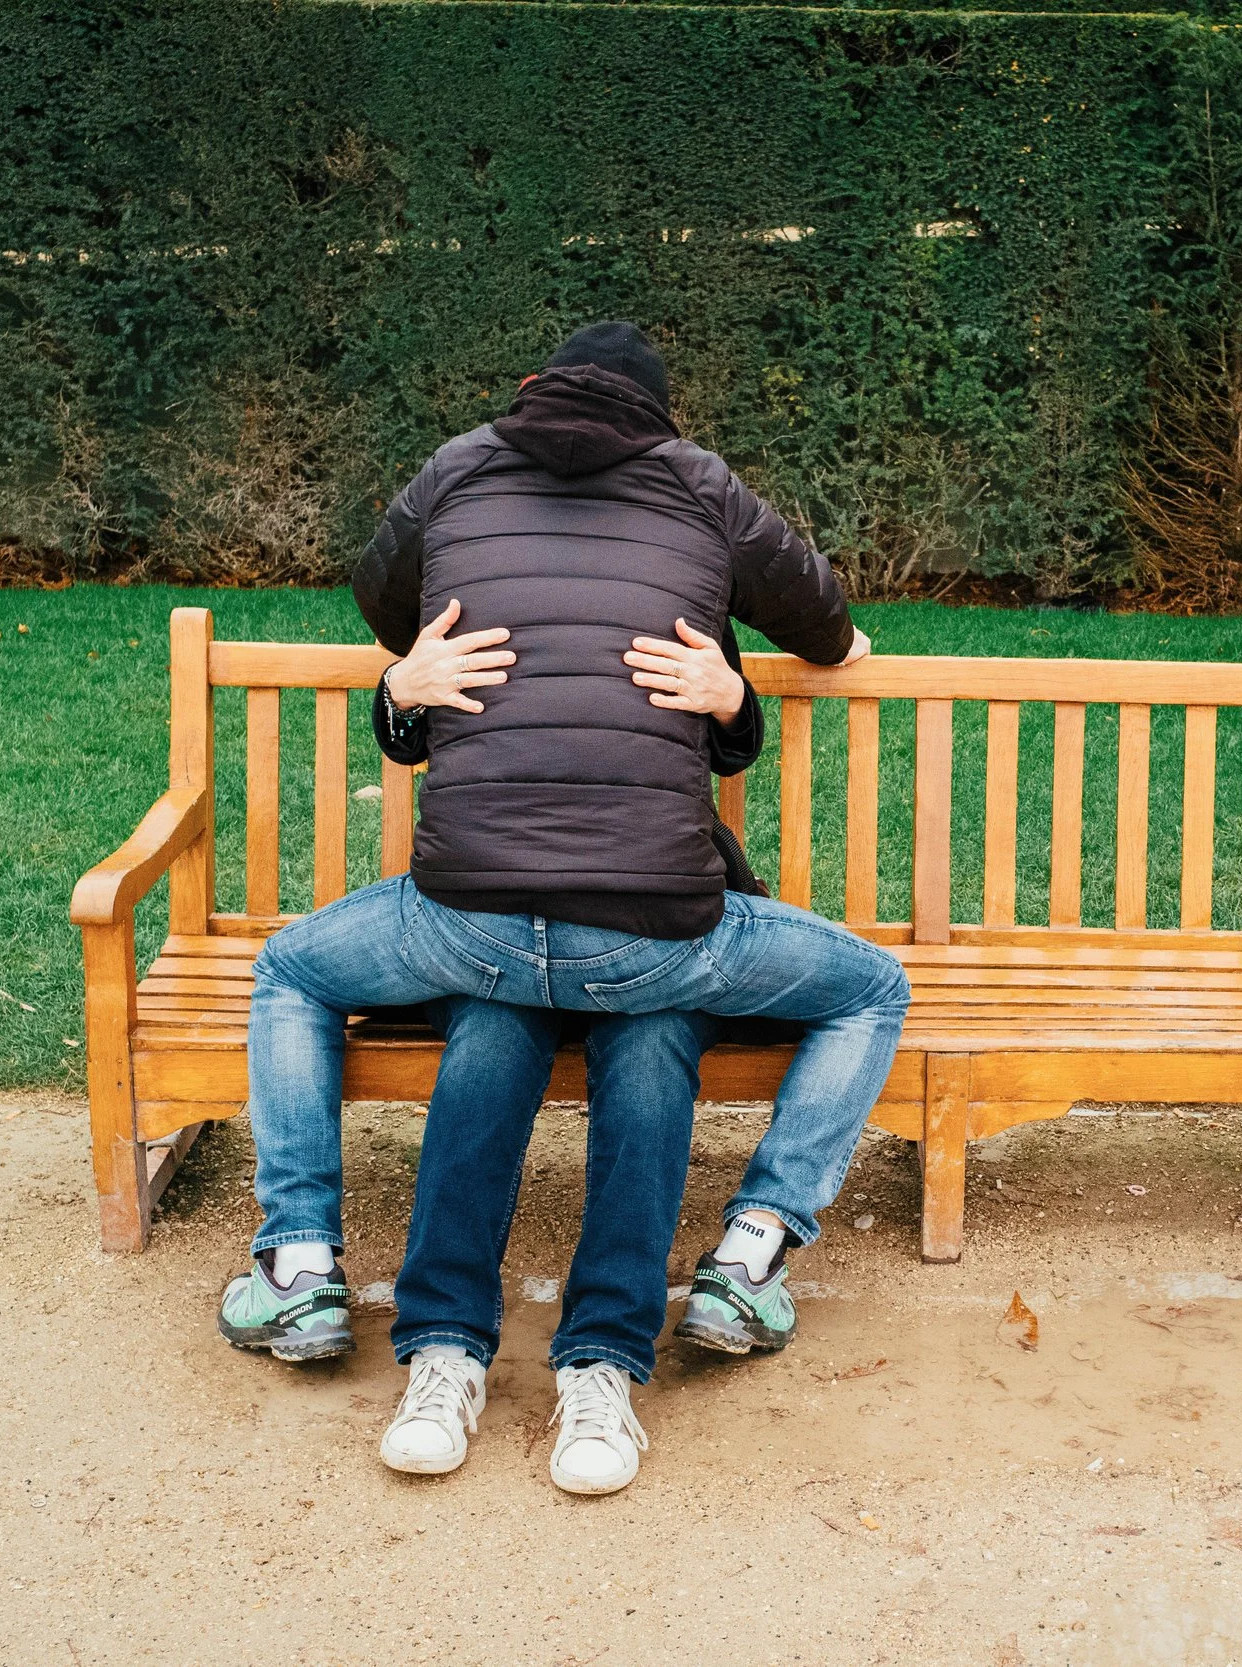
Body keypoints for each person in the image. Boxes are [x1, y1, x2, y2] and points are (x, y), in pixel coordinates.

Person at [220, 321, 912, 1494]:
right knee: (865, 987)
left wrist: (405, 680)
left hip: (470, 923)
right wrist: (739, 687)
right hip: (654, 933)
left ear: (531, 394)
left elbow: (390, 603)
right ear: (657, 413)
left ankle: (316, 1272)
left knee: (317, 974)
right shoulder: (699, 484)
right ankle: (732, 1264)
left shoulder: (459, 464)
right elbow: (831, 628)